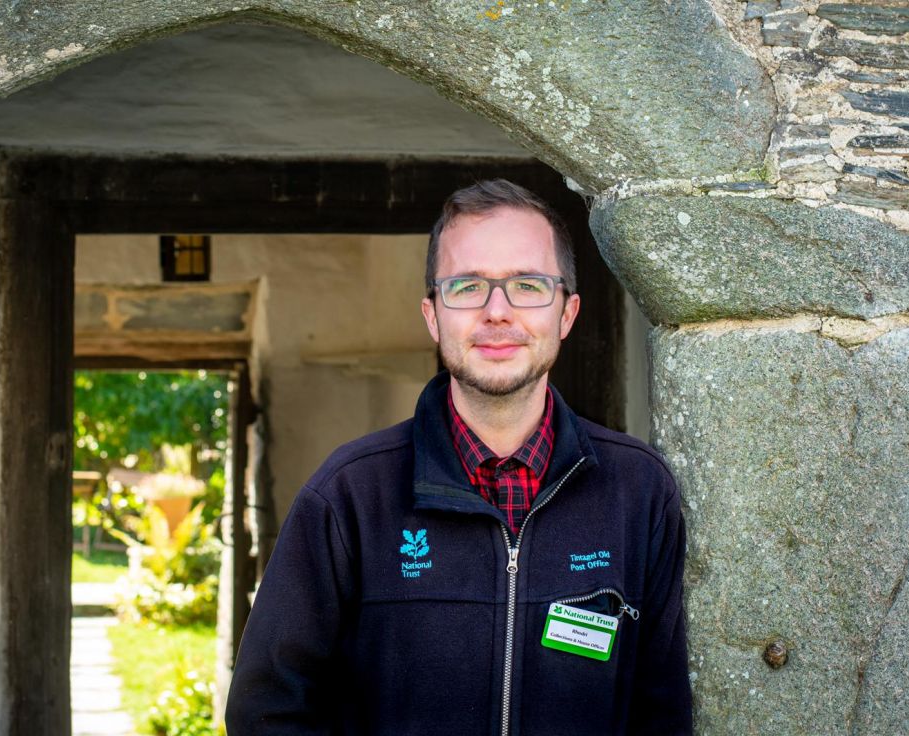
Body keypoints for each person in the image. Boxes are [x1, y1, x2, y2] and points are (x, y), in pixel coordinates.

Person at [226, 179, 692, 735]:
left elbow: (661, 711)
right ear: (433, 316)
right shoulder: (349, 496)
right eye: (468, 286)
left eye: (527, 284)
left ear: (566, 315)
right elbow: (266, 712)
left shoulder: (637, 491)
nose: (497, 311)